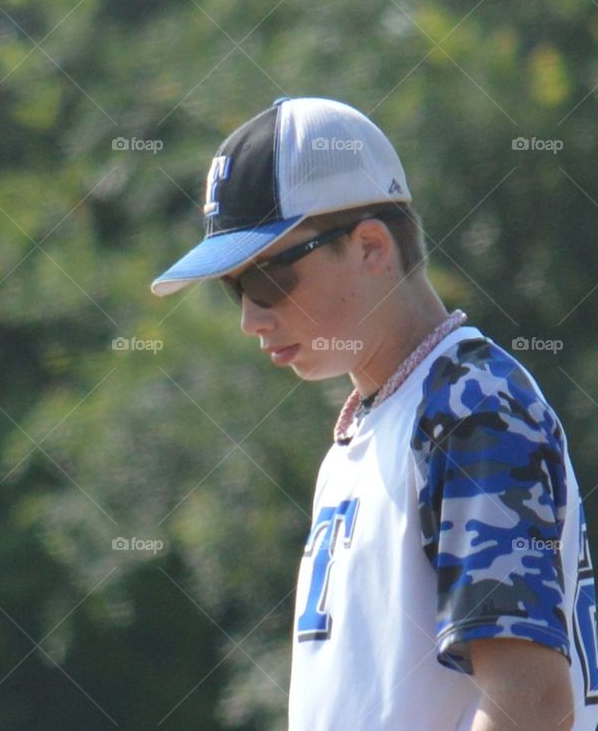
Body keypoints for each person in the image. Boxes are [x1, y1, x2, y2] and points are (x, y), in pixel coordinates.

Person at [150, 97, 598, 730]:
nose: (251, 317)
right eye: (234, 288)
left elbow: (529, 707)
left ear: (368, 247)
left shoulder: (469, 408)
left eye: (268, 278)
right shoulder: (375, 426)